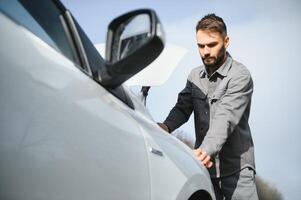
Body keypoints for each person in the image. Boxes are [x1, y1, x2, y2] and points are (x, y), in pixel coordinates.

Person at [158, 14, 258, 200]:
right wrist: (165, 127)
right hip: (205, 170)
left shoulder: (240, 75)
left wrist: (205, 150)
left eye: (212, 45)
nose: (205, 51)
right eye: (200, 46)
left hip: (237, 169)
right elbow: (182, 107)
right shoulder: (194, 76)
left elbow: (225, 117)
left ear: (226, 41)